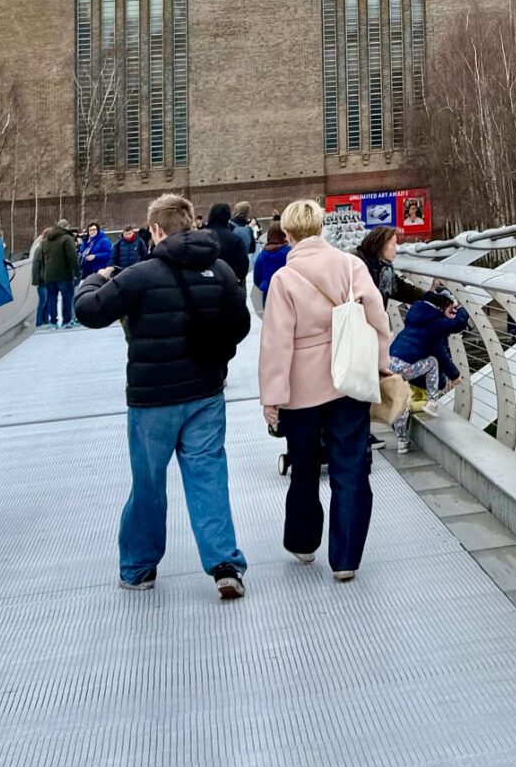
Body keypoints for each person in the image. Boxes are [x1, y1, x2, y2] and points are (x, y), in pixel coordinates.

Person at [76, 191, 253, 598]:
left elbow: (89, 312)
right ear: (190, 223)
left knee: (149, 484)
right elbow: (239, 327)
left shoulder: (138, 275)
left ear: (155, 229)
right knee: (208, 477)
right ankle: (225, 564)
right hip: (206, 393)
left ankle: (139, 567)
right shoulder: (222, 271)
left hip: (152, 401)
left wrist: (94, 279)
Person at [258, 198, 393, 579]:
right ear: (322, 228)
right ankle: (346, 558)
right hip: (348, 380)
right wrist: (380, 365)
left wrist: (273, 400)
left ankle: (303, 543)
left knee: (303, 465)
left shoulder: (284, 280)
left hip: (301, 391)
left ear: (287, 235)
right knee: (351, 467)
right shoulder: (351, 266)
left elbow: (276, 344)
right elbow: (377, 317)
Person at [386, 288, 469, 448]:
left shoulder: (415, 317)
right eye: (450, 308)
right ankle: (432, 401)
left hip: (390, 362)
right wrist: (464, 309)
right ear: (442, 307)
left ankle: (402, 441)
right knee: (432, 362)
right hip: (405, 365)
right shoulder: (435, 324)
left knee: (402, 402)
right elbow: (457, 325)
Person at [31, 220, 80, 329]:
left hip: (49, 276)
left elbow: (42, 260)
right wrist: (77, 272)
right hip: (64, 274)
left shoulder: (46, 240)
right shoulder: (67, 239)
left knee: (52, 299)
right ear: (66, 227)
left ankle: (53, 322)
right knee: (67, 298)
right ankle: (66, 321)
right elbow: (72, 257)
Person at [204, 201, 252, 283]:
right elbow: (243, 265)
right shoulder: (235, 239)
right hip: (228, 285)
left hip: (203, 285)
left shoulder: (200, 237)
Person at [252, 223, 291, 314]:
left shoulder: (262, 255)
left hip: (269, 295)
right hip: (288, 295)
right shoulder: (290, 253)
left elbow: (257, 279)